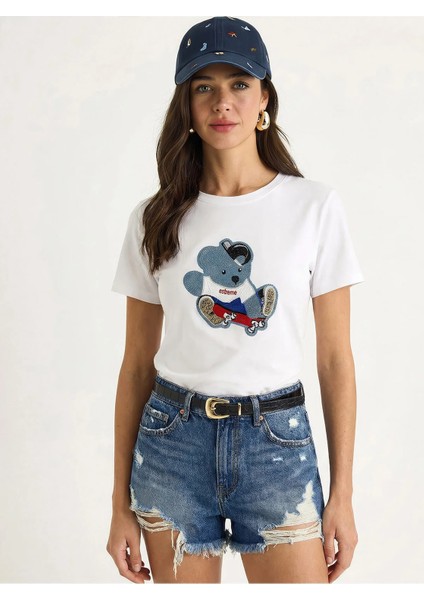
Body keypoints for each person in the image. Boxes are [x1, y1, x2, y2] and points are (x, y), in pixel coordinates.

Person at [106, 16, 364, 584]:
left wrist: (342, 494)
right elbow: (135, 366)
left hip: (278, 447)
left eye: (239, 84)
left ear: (264, 97)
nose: (223, 102)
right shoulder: (154, 218)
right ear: (186, 103)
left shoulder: (314, 208)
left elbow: (335, 360)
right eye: (205, 87)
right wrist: (119, 504)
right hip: (172, 446)